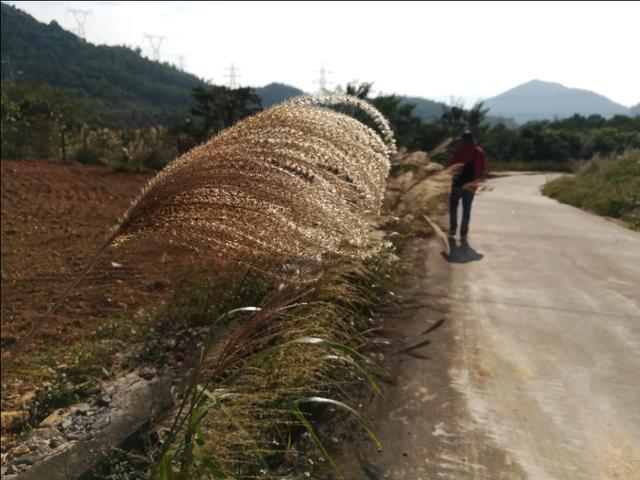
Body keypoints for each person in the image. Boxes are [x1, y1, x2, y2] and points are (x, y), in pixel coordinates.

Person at [448, 131, 486, 239]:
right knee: (467, 208)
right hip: (472, 184)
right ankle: (463, 233)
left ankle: (452, 229)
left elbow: (452, 166)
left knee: (453, 206)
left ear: (462, 140)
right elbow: (482, 168)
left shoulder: (459, 151)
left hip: (458, 183)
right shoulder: (479, 152)